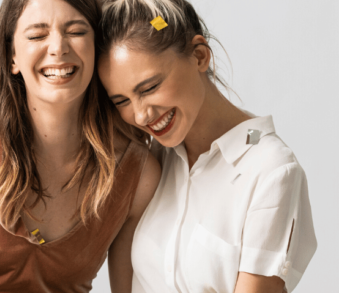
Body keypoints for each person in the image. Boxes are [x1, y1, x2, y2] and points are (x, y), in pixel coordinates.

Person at [0, 0, 161, 292]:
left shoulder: (137, 173)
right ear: (12, 56)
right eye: (37, 35)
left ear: (96, 48)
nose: (58, 48)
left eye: (76, 32)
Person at [96, 0, 317, 292]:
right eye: (121, 101)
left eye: (149, 87)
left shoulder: (272, 173)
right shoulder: (150, 163)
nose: (140, 115)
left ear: (200, 56)